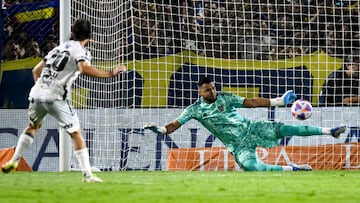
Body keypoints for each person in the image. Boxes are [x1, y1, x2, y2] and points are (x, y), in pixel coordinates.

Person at [1, 19, 127, 182]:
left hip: (37, 93)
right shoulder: (81, 50)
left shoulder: (58, 49)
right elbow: (84, 68)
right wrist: (111, 73)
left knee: (33, 126)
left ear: (72, 33)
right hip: (56, 96)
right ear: (90, 36)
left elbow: (35, 70)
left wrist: (43, 89)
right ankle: (87, 175)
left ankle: (14, 160)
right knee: (76, 133)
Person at [144, 77, 346, 172]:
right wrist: (160, 129)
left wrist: (279, 101)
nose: (212, 92)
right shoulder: (194, 110)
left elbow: (250, 102)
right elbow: (173, 125)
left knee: (286, 128)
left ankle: (330, 131)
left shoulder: (225, 97)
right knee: (251, 167)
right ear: (199, 92)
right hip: (237, 145)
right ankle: (293, 169)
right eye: (207, 90)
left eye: (213, 88)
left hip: (252, 128)